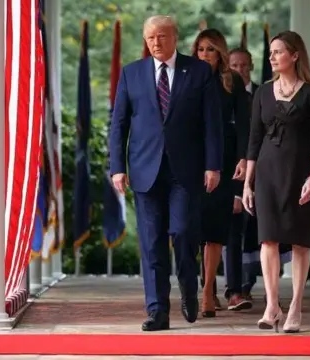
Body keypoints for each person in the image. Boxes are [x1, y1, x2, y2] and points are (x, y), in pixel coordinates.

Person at [108, 15, 223, 331]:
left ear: (174, 37)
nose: (155, 43)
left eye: (161, 36)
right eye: (149, 38)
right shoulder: (132, 74)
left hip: (186, 172)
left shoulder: (198, 71)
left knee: (184, 232)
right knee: (151, 242)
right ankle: (157, 310)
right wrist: (117, 167)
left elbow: (212, 124)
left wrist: (214, 165)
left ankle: (188, 288)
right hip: (145, 171)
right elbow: (119, 124)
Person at [243, 30, 310, 333]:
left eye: (279, 51)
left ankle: (295, 307)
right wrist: (247, 183)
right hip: (267, 173)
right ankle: (271, 305)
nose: (272, 57)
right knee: (268, 238)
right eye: (271, 52)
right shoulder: (263, 93)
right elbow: (253, 140)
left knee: (301, 240)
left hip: (301, 174)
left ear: (295, 55)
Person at [191, 29, 251, 317]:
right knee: (195, 229)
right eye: (200, 49)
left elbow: (244, 125)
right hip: (192, 160)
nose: (204, 55)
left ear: (220, 53)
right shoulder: (186, 78)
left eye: (210, 49)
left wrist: (243, 158)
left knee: (215, 228)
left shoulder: (233, 81)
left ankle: (207, 293)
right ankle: (205, 286)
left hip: (226, 162)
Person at [227, 47, 294, 302]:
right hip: (235, 170)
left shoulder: (265, 92)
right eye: (234, 65)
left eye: (244, 65)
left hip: (264, 168)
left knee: (260, 226)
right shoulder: (224, 94)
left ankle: (254, 282)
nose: (240, 70)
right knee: (236, 229)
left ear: (252, 66)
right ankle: (237, 286)